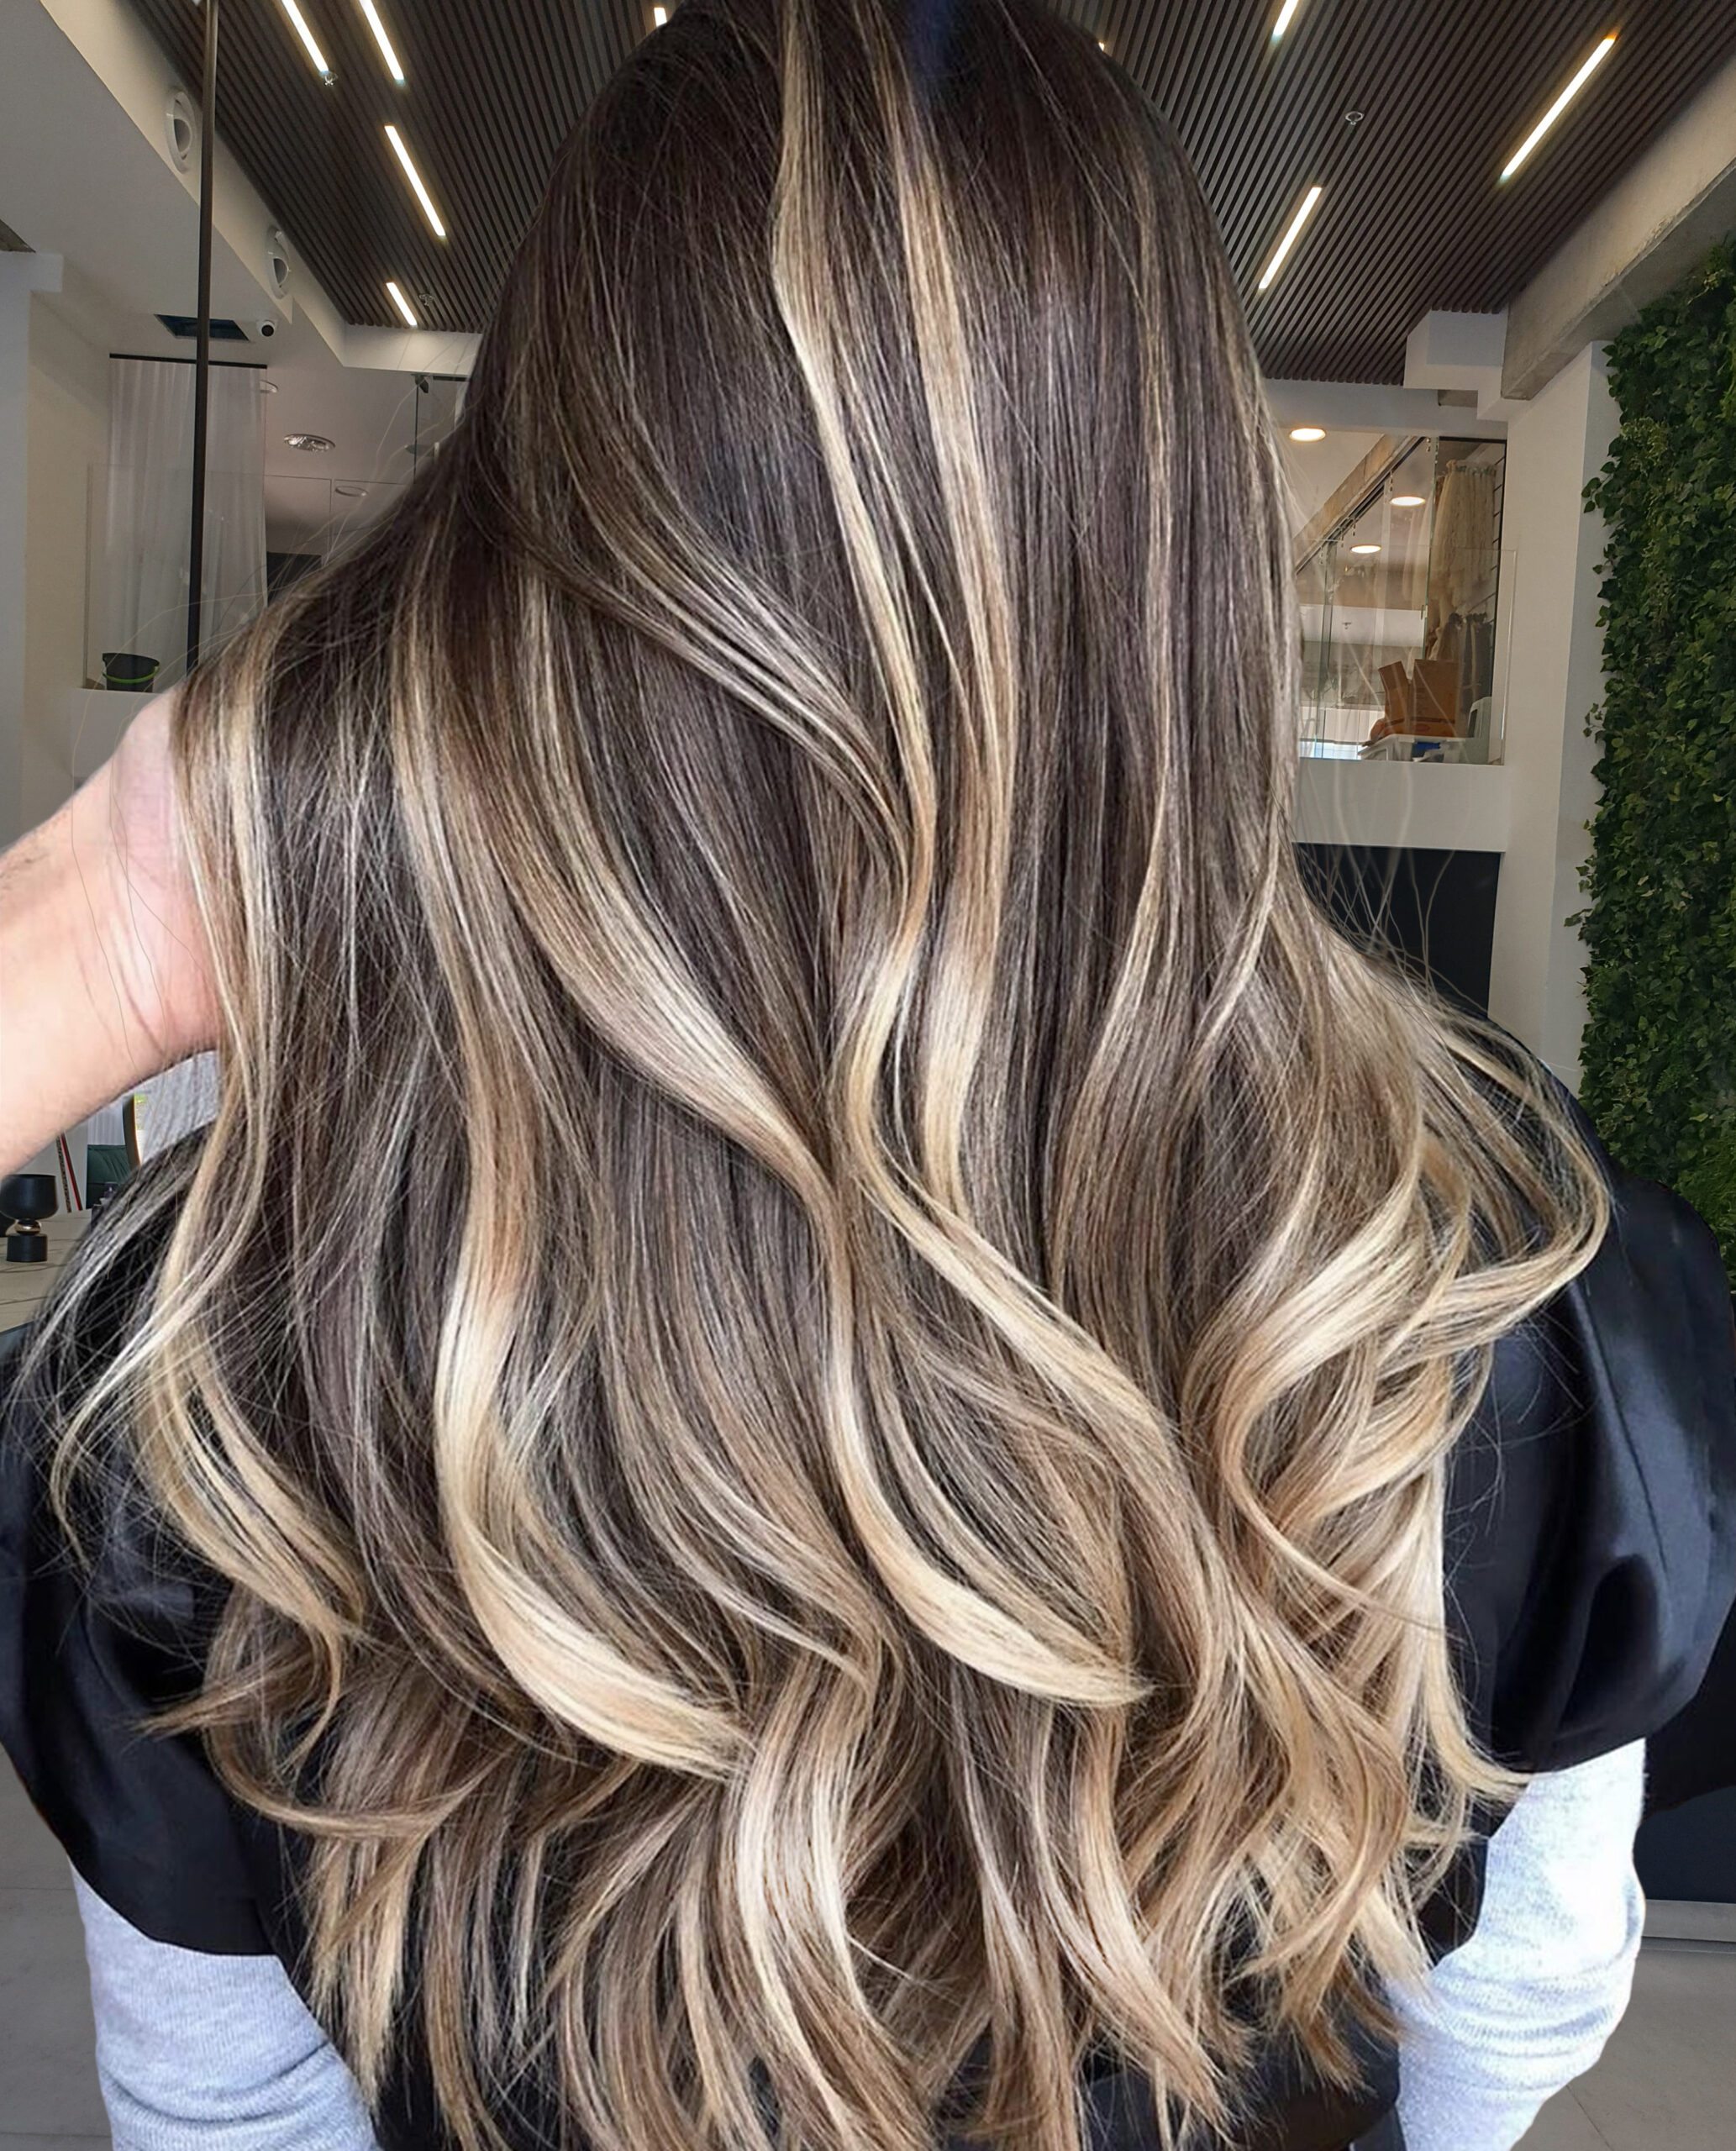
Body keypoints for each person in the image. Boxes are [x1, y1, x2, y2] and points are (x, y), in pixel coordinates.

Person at [2, 2, 1733, 2147]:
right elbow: (1510, 2020)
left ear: (514, 575)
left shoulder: (226, 1349)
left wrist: (97, 924)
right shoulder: (1514, 1292)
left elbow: (231, 2118)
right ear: (1194, 590)